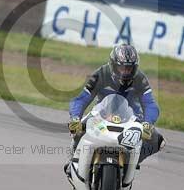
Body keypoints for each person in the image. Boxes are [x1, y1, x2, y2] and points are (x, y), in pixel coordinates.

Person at [64, 44, 165, 175]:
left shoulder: (140, 79)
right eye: (121, 67)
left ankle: (132, 162)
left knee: (158, 140)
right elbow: (81, 99)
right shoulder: (101, 74)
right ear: (113, 65)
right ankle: (73, 162)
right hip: (101, 113)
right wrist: (75, 117)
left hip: (131, 117)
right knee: (78, 129)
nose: (125, 72)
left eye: (129, 68)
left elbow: (150, 104)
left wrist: (148, 123)